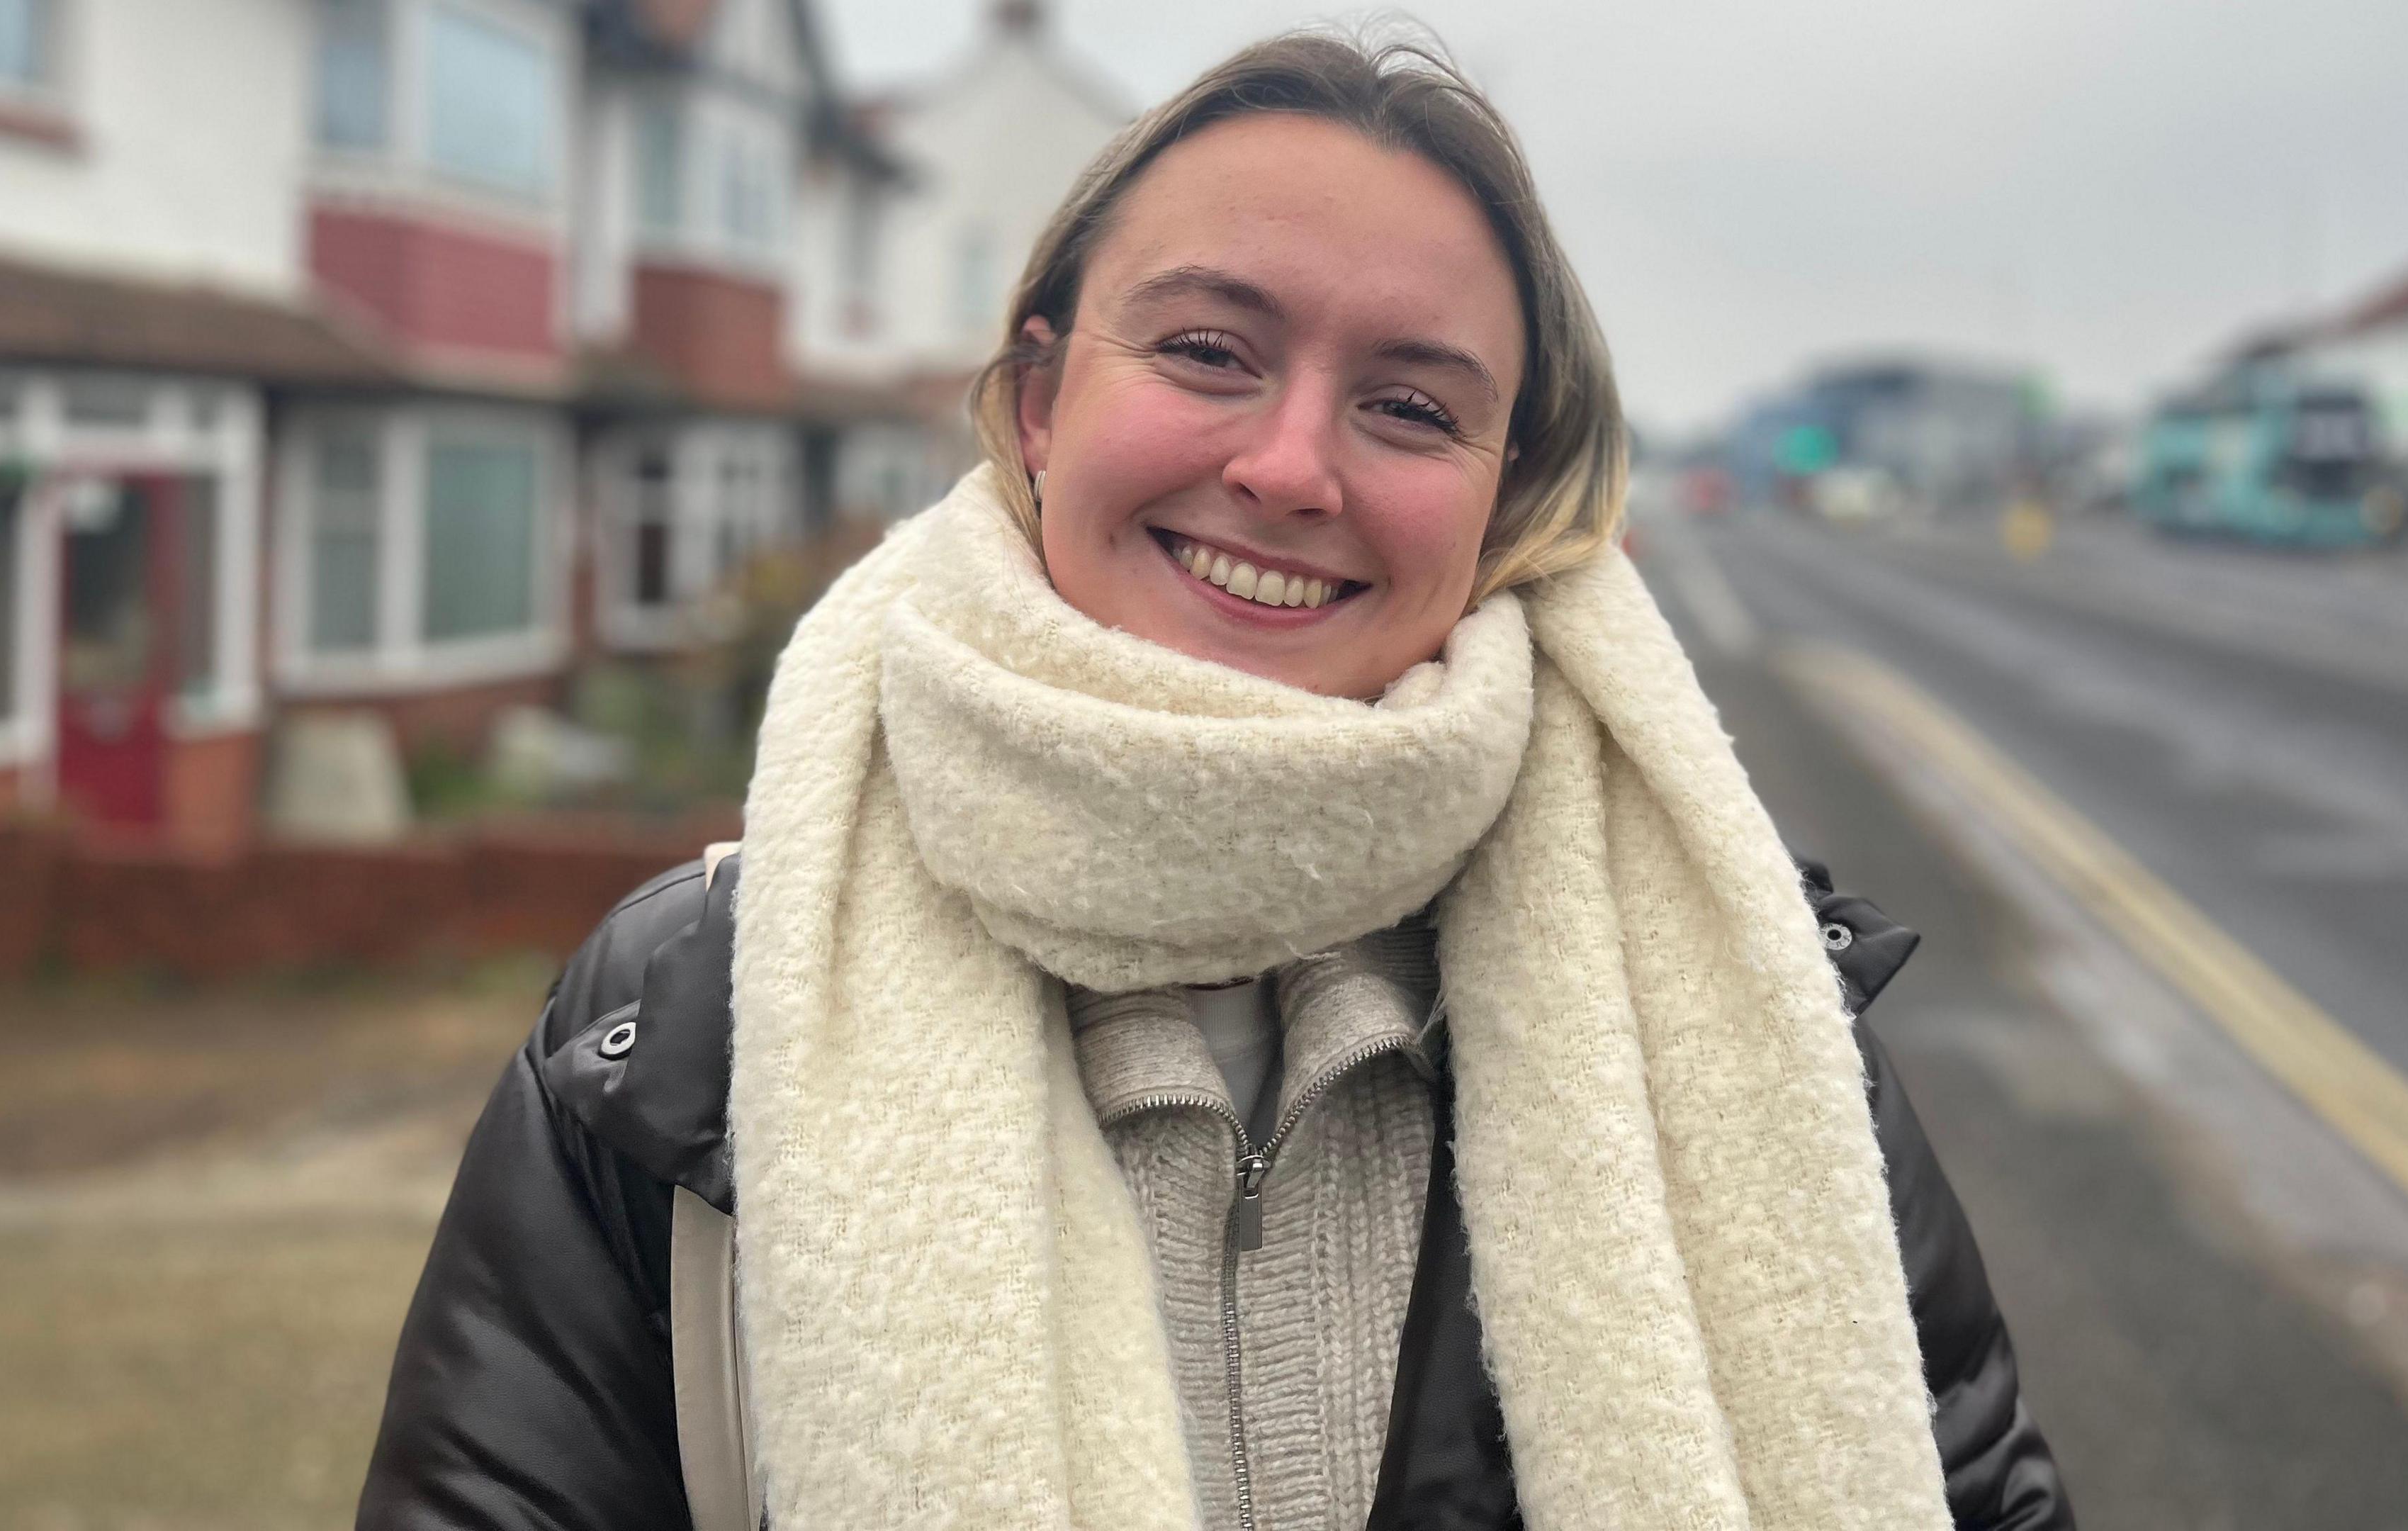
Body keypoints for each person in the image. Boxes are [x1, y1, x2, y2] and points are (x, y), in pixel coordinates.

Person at [358, 30, 2071, 1531]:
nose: (1289, 466)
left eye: (1409, 406)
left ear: (1503, 488)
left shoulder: (1734, 989)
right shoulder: (683, 1029)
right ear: (1040, 400)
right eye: (1205, 350)